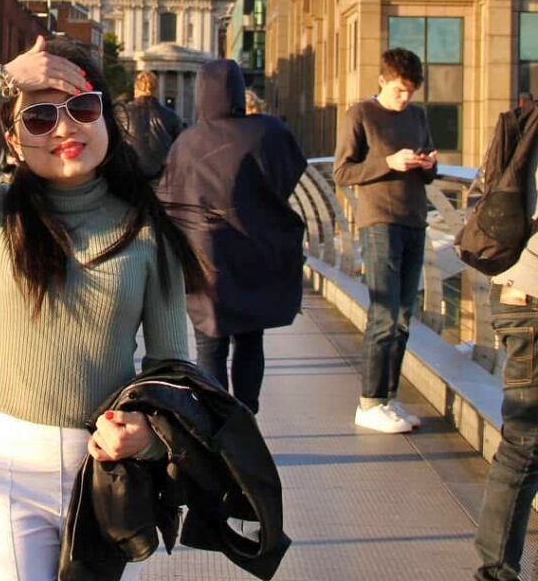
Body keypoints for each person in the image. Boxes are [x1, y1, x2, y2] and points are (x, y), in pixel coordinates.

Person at [0, 36, 203, 581]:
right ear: (13, 142)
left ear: (107, 118)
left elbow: (171, 370)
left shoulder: (145, 231)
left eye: (82, 108)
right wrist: (0, 81)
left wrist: (149, 437)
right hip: (6, 469)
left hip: (105, 473)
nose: (65, 128)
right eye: (39, 117)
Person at [158, 59, 307, 415]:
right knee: (251, 337)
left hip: (204, 259)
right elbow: (290, 172)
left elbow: (169, 197)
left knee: (209, 345)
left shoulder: (187, 141)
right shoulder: (268, 132)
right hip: (256, 252)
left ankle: (218, 421)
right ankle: (246, 412)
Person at [333, 47, 438, 433]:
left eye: (410, 91)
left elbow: (429, 174)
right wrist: (388, 164)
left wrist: (428, 165)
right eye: (398, 90)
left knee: (405, 317)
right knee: (383, 315)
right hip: (379, 221)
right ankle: (369, 401)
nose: (404, 98)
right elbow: (342, 171)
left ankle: (389, 399)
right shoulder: (360, 114)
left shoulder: (418, 116)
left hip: (414, 219)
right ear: (382, 80)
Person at [473, 101, 538, 581]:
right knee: (525, 443)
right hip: (532, 302)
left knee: (523, 442)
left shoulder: (526, 123)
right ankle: (496, 572)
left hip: (515, 292)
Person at [120, 69, 184, 180]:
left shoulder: (122, 114)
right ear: (156, 90)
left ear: (135, 89)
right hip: (161, 180)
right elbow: (181, 149)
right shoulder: (171, 116)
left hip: (130, 178)